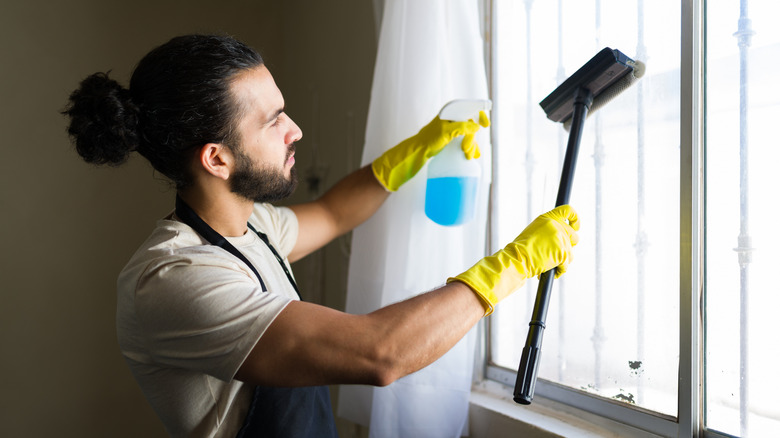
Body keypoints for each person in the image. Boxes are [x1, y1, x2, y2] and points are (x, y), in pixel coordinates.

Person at [63, 34, 579, 438]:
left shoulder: (252, 226)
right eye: (273, 122)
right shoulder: (174, 278)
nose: (296, 130)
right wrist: (511, 264)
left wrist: (416, 151)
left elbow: (332, 213)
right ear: (216, 158)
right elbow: (381, 353)